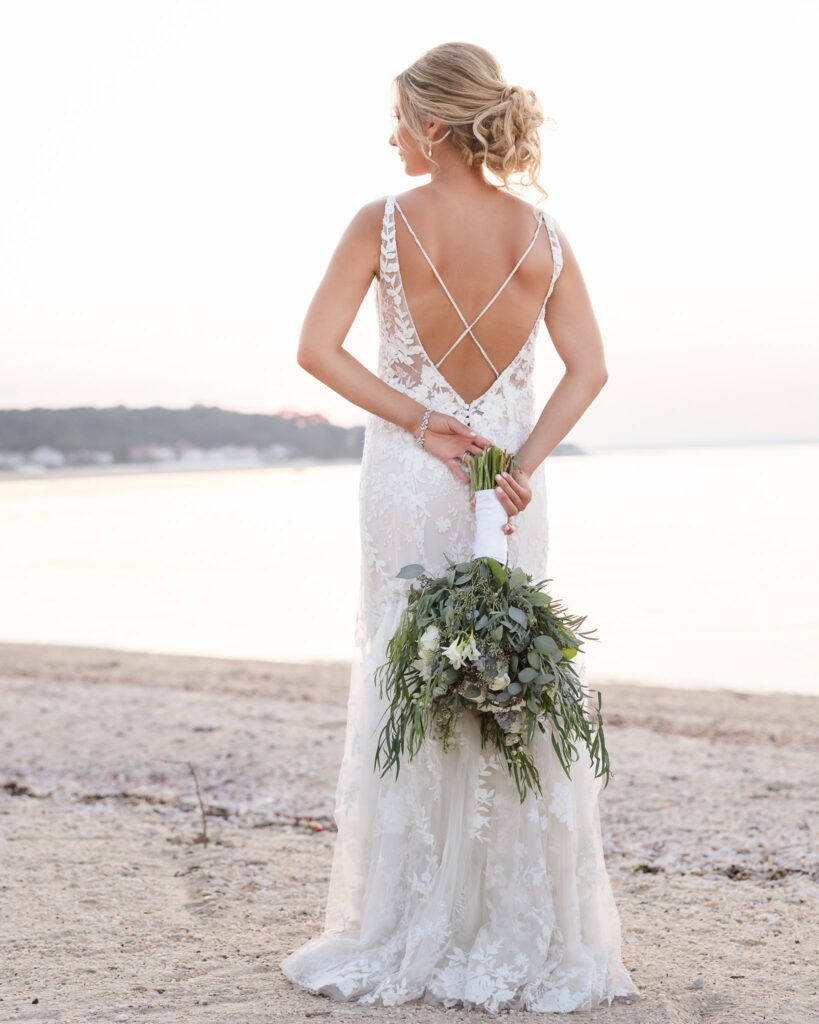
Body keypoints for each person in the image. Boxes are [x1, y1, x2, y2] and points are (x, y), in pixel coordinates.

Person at [281, 41, 641, 1014]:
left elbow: (316, 350)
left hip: (413, 473)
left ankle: (409, 918)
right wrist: (520, 465)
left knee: (408, 672)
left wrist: (420, 420)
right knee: (504, 684)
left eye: (399, 120)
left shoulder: (382, 221)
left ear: (433, 125)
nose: (391, 137)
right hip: (506, 490)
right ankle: (509, 918)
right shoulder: (542, 233)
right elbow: (590, 370)